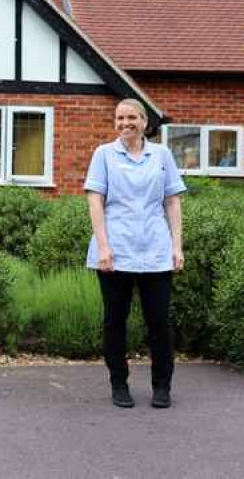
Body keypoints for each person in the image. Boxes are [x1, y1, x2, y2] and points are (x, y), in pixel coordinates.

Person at [85, 98, 186, 409]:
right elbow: (95, 201)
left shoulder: (162, 155)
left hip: (156, 250)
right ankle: (119, 384)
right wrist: (104, 246)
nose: (125, 123)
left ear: (145, 122)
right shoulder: (103, 154)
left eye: (131, 117)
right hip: (115, 250)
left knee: (158, 321)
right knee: (115, 321)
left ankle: (162, 386)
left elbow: (172, 201)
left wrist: (177, 245)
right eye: (120, 118)